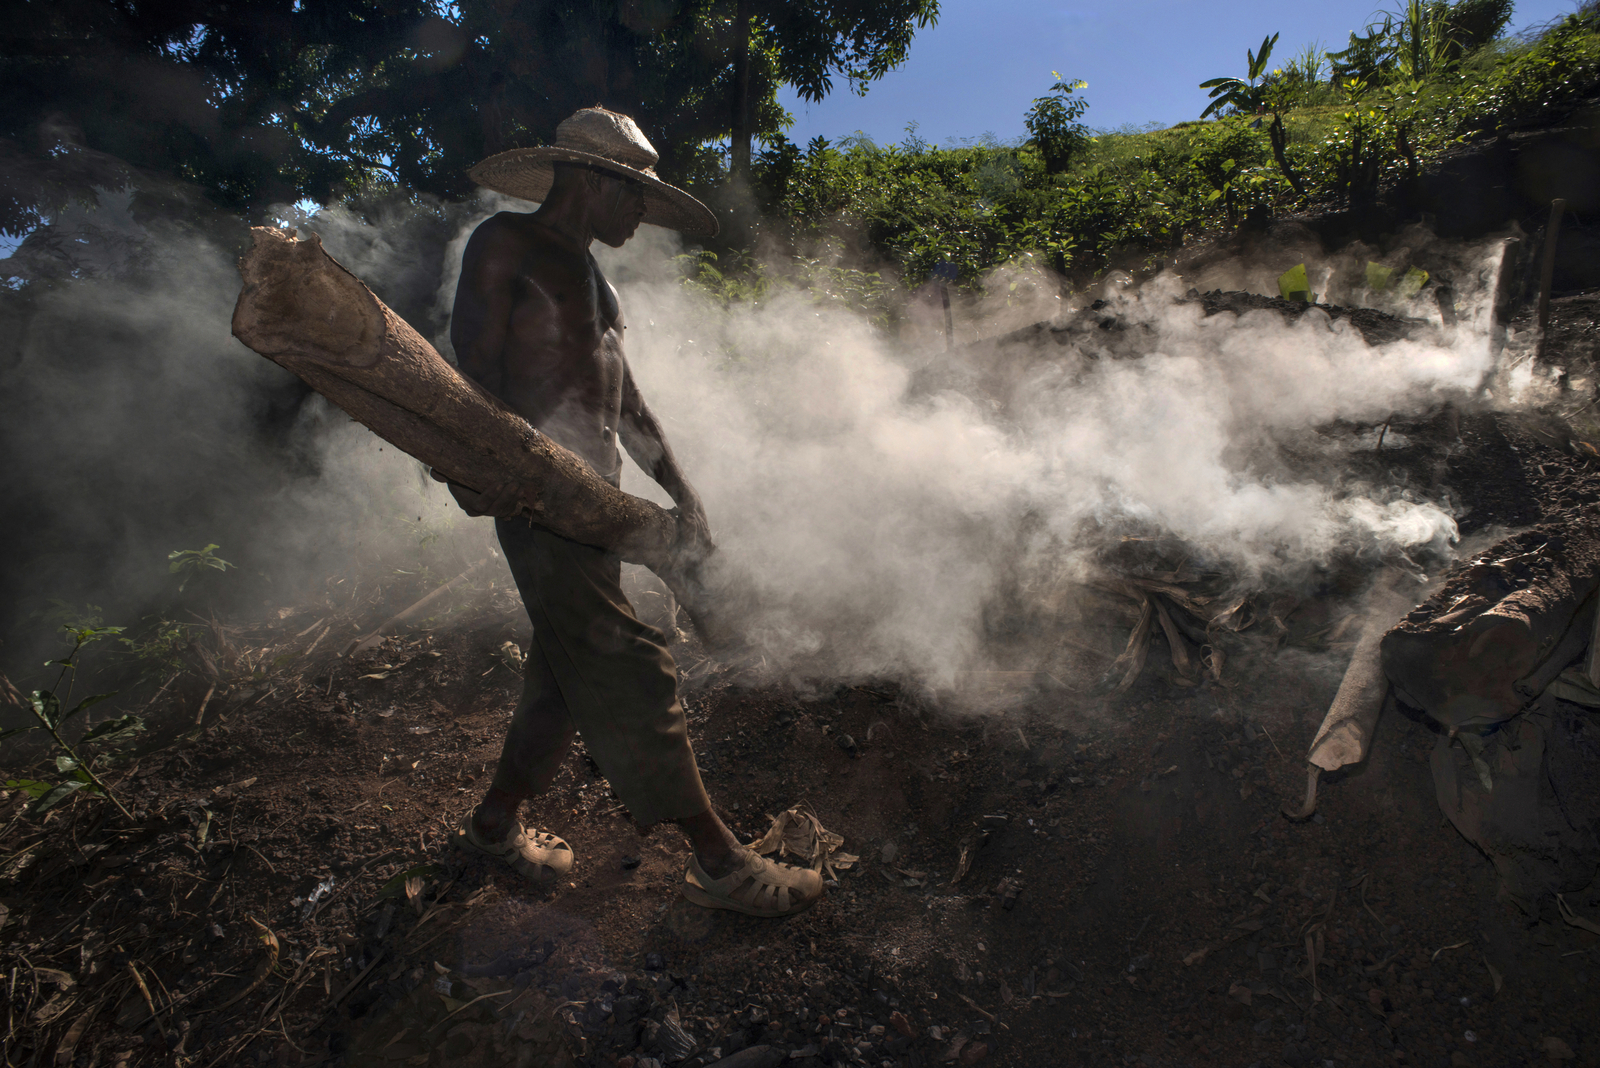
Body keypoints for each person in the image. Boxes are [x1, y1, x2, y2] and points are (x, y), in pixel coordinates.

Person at [443, 107, 822, 918]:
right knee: (627, 658)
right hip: (536, 495)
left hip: (595, 502)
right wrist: (476, 467)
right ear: (591, 181)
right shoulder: (505, 246)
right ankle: (719, 862)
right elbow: (468, 377)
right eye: (634, 197)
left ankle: (492, 824)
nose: (642, 214)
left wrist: (681, 491)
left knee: (562, 676)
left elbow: (627, 402)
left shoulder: (599, 281)